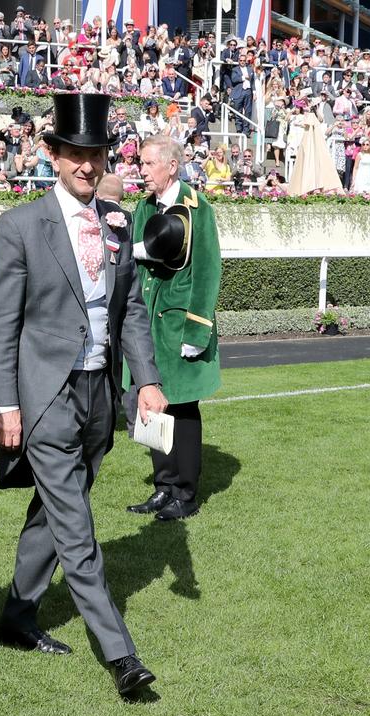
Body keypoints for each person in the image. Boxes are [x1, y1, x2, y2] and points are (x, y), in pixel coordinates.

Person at [0, 93, 167, 697]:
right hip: (45, 394)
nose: (86, 165)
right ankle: (121, 655)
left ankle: (16, 614)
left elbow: (132, 309)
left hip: (98, 393)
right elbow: (0, 324)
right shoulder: (20, 225)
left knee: (54, 510)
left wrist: (148, 380)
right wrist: (5, 404)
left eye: (95, 154)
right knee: (76, 523)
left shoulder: (118, 220)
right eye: (74, 155)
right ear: (53, 155)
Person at [128, 135, 221, 521]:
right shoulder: (141, 208)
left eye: (149, 164)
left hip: (181, 325)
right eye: (141, 163)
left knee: (182, 409)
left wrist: (197, 332)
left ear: (171, 166)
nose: (142, 171)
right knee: (153, 405)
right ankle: (163, 486)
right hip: (147, 323)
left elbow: (207, 271)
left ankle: (185, 491)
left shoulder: (200, 209)